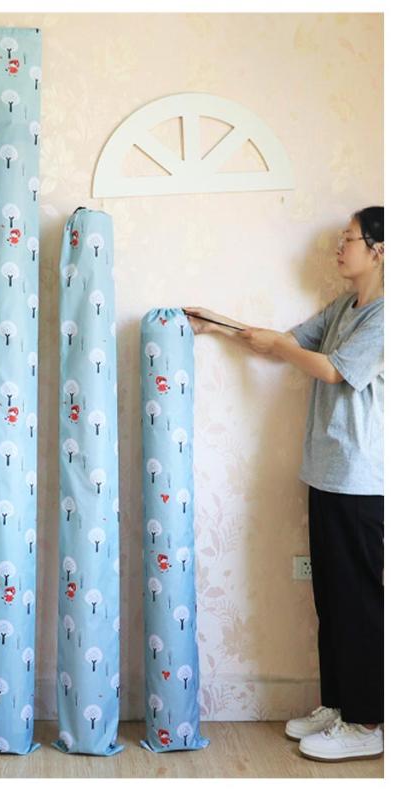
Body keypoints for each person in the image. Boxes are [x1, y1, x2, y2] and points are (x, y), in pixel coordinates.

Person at [183, 206, 384, 763]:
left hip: (362, 479)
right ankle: (340, 706)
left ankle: (370, 720)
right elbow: (284, 342)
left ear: (380, 250)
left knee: (360, 602)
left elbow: (333, 369)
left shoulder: (386, 317)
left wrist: (284, 349)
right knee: (332, 600)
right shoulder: (344, 307)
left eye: (348, 239)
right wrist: (218, 324)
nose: (339, 248)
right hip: (326, 472)